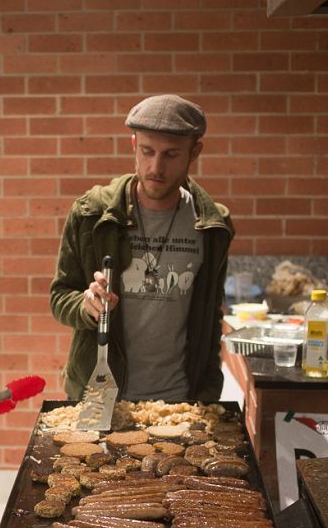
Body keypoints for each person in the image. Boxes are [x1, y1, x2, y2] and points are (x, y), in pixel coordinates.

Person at [50, 94, 234, 404]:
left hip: (180, 402)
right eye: (147, 151)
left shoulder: (213, 226)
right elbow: (60, 297)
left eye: (171, 154)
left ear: (195, 152)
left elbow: (211, 317)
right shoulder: (91, 214)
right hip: (99, 398)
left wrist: (208, 390)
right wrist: (86, 306)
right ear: (134, 145)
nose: (156, 167)